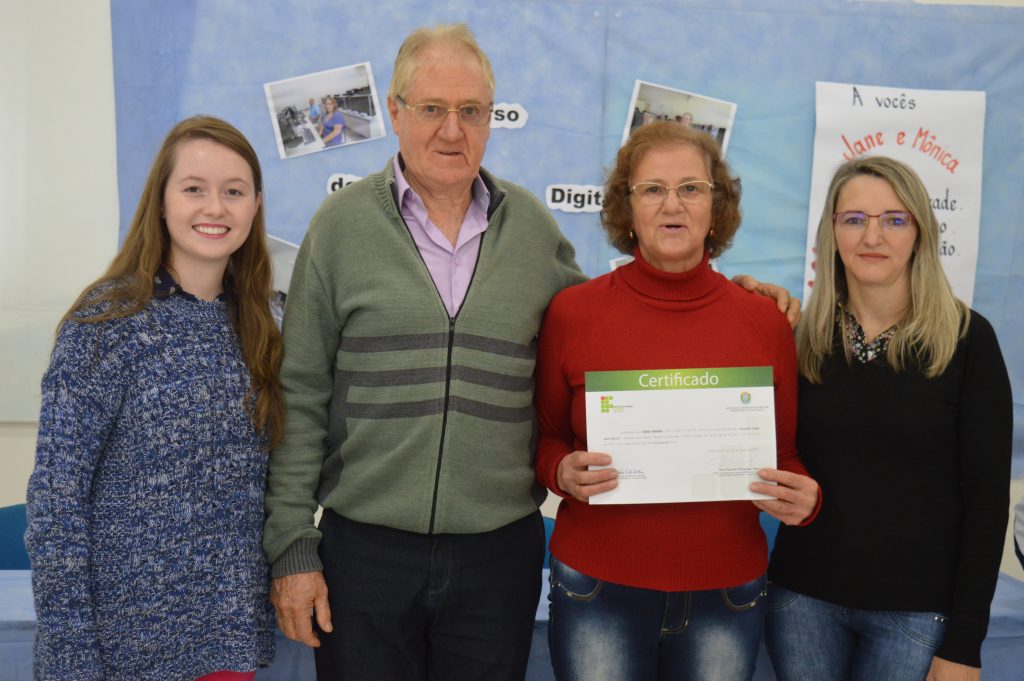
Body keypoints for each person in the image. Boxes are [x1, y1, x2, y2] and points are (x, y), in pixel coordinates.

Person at [263, 24, 800, 681]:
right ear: (396, 113)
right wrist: (293, 546)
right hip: (364, 550)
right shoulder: (339, 227)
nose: (453, 130)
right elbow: (300, 394)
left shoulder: (532, 229)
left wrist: (734, 299)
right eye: (432, 108)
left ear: (492, 119)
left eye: (471, 110)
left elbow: (617, 320)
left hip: (497, 557)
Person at [533, 121, 821, 681]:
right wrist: (561, 471)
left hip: (726, 590)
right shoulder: (573, 313)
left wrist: (805, 500)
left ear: (717, 207)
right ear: (627, 207)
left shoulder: (765, 321)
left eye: (691, 187)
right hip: (597, 585)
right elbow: (545, 440)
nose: (673, 204)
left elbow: (784, 457)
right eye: (652, 189)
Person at [25, 116, 282, 680]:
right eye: (193, 188)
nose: (215, 207)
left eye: (234, 192)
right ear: (161, 203)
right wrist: (71, 653)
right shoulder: (107, 321)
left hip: (228, 641)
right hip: (119, 650)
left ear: (255, 207)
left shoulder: (266, 324)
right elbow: (56, 500)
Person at [765, 156, 1012, 681]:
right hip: (802, 601)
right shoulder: (798, 338)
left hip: (916, 614)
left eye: (894, 220)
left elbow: (988, 504)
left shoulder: (967, 341)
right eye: (854, 219)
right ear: (831, 233)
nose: (872, 236)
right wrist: (745, 294)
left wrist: (965, 644)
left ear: (920, 233)